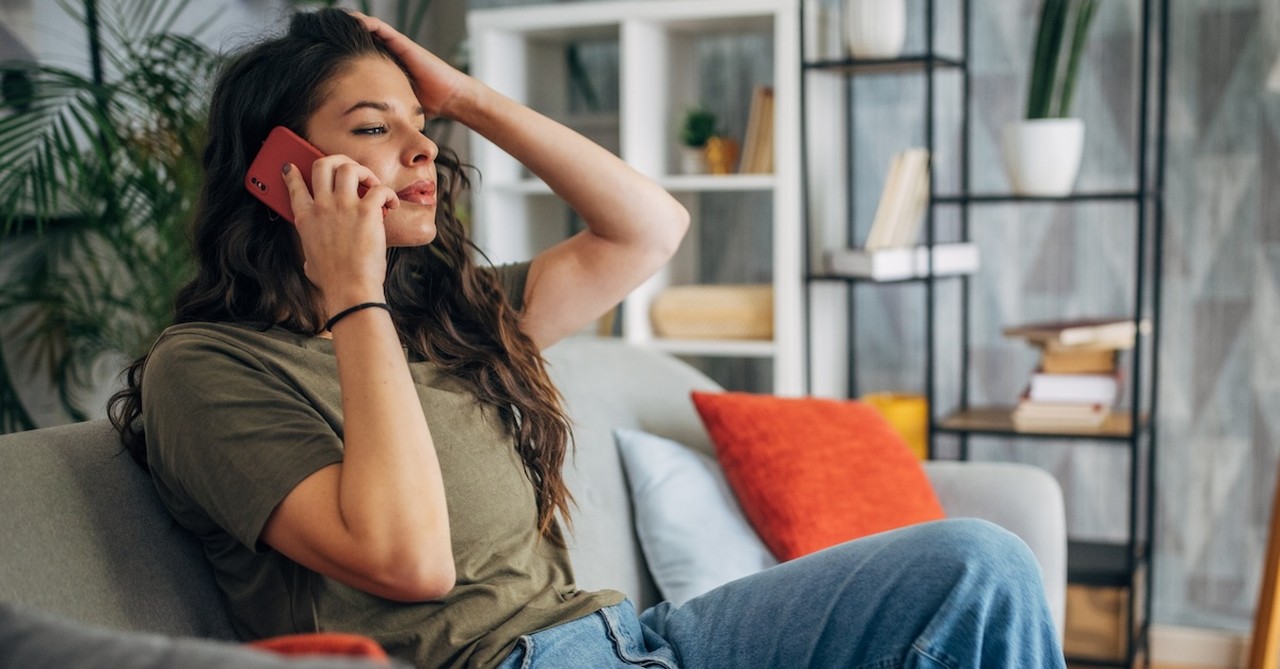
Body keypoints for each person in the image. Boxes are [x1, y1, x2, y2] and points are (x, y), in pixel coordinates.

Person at [109, 9, 1066, 669]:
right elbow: (411, 559)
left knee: (982, 565)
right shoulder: (208, 370)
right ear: (280, 175)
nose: (424, 150)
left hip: (635, 639)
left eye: (424, 125)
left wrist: (469, 98)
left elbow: (648, 228)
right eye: (375, 127)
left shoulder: (445, 314)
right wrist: (350, 289)